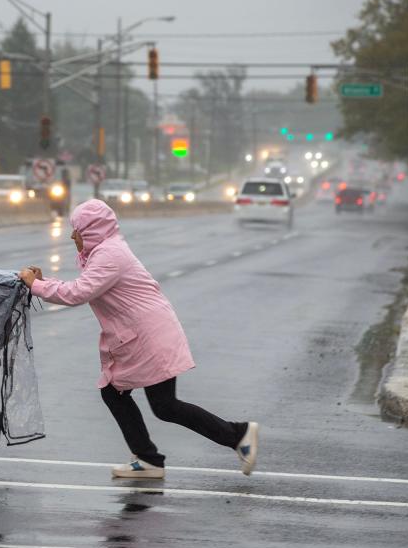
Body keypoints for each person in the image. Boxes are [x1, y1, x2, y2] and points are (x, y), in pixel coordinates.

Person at [18, 199, 258, 478]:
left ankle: (235, 435)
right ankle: (151, 458)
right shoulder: (105, 251)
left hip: (149, 336)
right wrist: (43, 283)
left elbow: (78, 293)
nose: (73, 236)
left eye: (77, 230)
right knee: (138, 399)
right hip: (146, 334)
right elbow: (84, 286)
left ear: (93, 230)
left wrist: (35, 285)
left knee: (156, 403)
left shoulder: (110, 255)